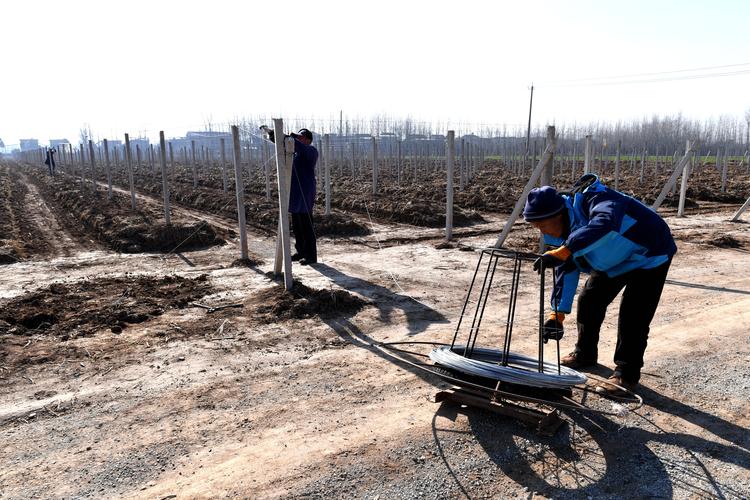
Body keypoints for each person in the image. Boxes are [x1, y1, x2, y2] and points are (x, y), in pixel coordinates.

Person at [523, 174, 677, 395]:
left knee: (634, 315)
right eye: (536, 226)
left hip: (650, 255)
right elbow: (566, 269)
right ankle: (585, 353)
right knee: (589, 301)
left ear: (559, 214)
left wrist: (566, 249)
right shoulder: (560, 233)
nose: (542, 231)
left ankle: (626, 375)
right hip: (615, 261)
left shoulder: (597, 198)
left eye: (543, 224)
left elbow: (605, 223)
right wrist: (556, 315)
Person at [264, 126, 319, 265]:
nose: (298, 138)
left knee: (306, 224)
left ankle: (311, 255)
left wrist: (289, 138)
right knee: (297, 224)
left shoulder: (311, 151)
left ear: (308, 140)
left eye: (301, 137)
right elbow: (287, 145)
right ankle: (300, 251)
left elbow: (296, 145)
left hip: (305, 191)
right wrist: (274, 136)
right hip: (294, 191)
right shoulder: (294, 153)